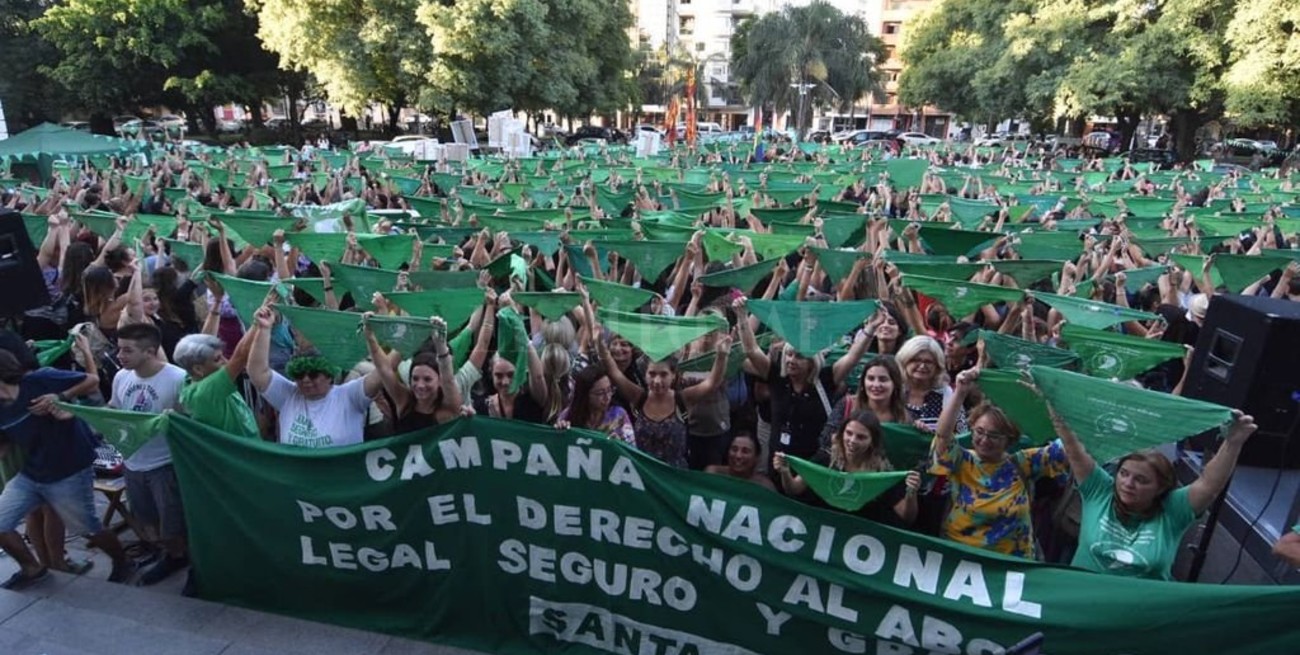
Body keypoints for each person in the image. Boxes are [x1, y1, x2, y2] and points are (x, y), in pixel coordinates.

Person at [1048, 401, 1258, 580]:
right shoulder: (1100, 492)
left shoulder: (1173, 511)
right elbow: (1073, 448)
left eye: (1141, 480)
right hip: (1083, 601)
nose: (1128, 483)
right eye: (1123, 473)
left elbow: (1209, 484)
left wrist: (1233, 442)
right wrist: (1054, 401)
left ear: (1161, 488)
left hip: (1140, 615)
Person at [0, 345, 133, 589]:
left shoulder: (39, 380)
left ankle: (123, 561)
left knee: (87, 527)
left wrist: (61, 397)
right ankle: (32, 568)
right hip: (32, 472)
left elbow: (91, 381)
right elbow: (5, 445)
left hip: (69, 469)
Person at [929, 368, 1069, 558]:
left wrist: (1048, 401)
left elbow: (1069, 446)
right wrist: (961, 391)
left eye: (994, 435)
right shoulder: (961, 460)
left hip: (1012, 564)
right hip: (960, 559)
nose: (984, 440)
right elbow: (943, 436)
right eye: (979, 431)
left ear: (1010, 439)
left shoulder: (1024, 463)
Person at [108, 321, 189, 584]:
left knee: (172, 521)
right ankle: (163, 551)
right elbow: (114, 409)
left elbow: (191, 420)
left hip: (164, 464)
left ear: (150, 351)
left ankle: (178, 556)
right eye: (119, 349)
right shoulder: (121, 376)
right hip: (133, 463)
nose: (119, 356)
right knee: (146, 519)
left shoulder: (178, 378)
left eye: (127, 351)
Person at [248, 306, 383, 448]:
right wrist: (264, 328)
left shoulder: (350, 396)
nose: (306, 380)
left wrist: (372, 339)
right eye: (299, 374)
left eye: (313, 375)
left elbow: (383, 372)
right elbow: (257, 372)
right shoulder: (288, 395)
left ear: (329, 376)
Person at [600, 335, 732, 469]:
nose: (657, 381)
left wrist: (722, 355)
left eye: (663, 375)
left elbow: (712, 382)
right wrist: (599, 343)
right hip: (644, 474)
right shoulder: (638, 397)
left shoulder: (683, 399)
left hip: (674, 478)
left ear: (673, 376)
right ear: (645, 375)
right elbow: (614, 373)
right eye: (652, 374)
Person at [774, 409, 921, 526]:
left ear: (873, 441)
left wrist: (911, 492)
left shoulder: (883, 473)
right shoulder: (825, 459)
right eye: (849, 433)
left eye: (861, 437)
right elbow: (794, 489)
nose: (852, 441)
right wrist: (785, 472)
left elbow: (906, 517)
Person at [364, 315, 462, 432]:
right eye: (415, 378)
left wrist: (441, 346)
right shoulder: (404, 401)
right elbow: (384, 369)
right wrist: (369, 333)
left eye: (427, 379)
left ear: (440, 381)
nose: (420, 385)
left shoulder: (447, 410)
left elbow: (449, 380)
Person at [173, 330, 260, 439]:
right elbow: (240, 356)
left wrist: (214, 313)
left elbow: (204, 340)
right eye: (217, 359)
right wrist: (259, 324)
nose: (226, 361)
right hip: (242, 453)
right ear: (198, 369)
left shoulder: (191, 377)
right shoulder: (205, 392)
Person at [555, 363, 636, 446]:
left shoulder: (619, 415)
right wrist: (560, 431)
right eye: (600, 393)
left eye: (609, 390)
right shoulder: (569, 415)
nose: (607, 397)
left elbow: (633, 448)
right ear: (585, 395)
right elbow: (556, 446)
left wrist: (621, 444)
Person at [705, 432, 775, 490]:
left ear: (756, 457)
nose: (738, 456)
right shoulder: (714, 474)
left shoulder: (765, 487)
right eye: (734, 449)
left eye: (745, 451)